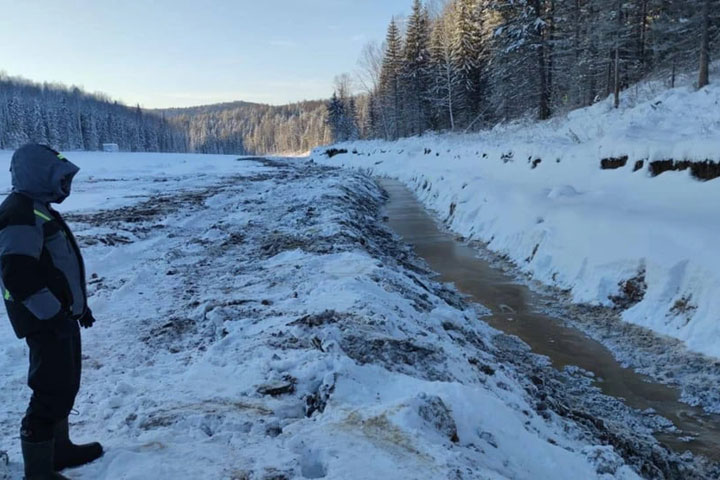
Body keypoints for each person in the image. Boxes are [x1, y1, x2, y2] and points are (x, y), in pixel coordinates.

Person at [0, 144, 103, 479]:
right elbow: (17, 274)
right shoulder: (19, 212)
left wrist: (77, 308)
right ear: (38, 174)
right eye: (59, 178)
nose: (64, 185)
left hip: (59, 316)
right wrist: (52, 315)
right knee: (49, 391)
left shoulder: (37, 207)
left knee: (65, 383)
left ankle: (59, 450)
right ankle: (39, 472)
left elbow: (56, 265)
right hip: (43, 321)